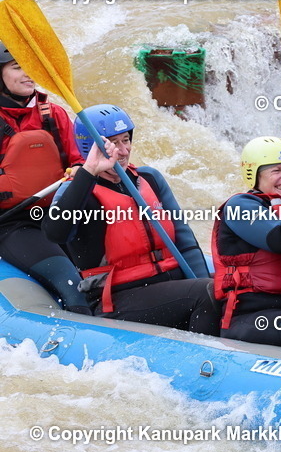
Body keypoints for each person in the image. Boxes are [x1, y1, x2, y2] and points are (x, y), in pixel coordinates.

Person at [43, 104, 220, 334]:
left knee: (227, 291)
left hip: (168, 286)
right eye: (114, 143)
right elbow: (55, 233)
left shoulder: (150, 178)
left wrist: (207, 286)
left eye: (126, 140)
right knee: (207, 293)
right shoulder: (77, 192)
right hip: (119, 300)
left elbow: (185, 242)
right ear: (93, 147)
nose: (124, 151)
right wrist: (89, 171)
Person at [0, 42, 89, 313]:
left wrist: (79, 169)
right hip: (13, 224)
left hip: (60, 216)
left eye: (31, 66)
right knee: (72, 284)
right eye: (18, 67)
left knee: (100, 277)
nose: (28, 74)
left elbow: (79, 160)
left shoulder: (54, 114)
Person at [214, 136, 281, 351]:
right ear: (254, 175)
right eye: (276, 171)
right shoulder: (239, 206)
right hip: (252, 316)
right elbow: (279, 239)